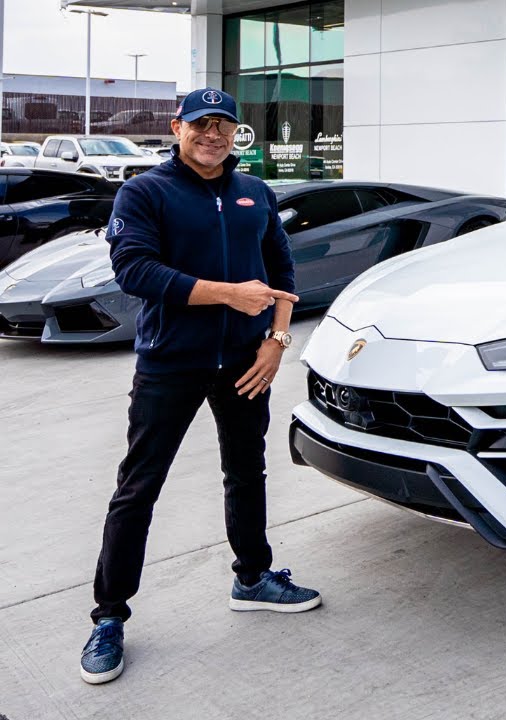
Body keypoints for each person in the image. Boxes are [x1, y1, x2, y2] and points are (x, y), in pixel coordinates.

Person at [80, 88, 321, 686]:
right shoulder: (145, 192)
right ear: (177, 128)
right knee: (138, 488)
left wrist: (276, 341)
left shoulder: (255, 193)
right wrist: (228, 293)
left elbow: (283, 275)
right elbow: (135, 270)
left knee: (247, 472)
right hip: (171, 364)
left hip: (245, 361)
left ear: (237, 134)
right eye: (201, 124)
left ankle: (253, 577)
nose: (213, 134)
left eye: (224, 125)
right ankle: (109, 616)